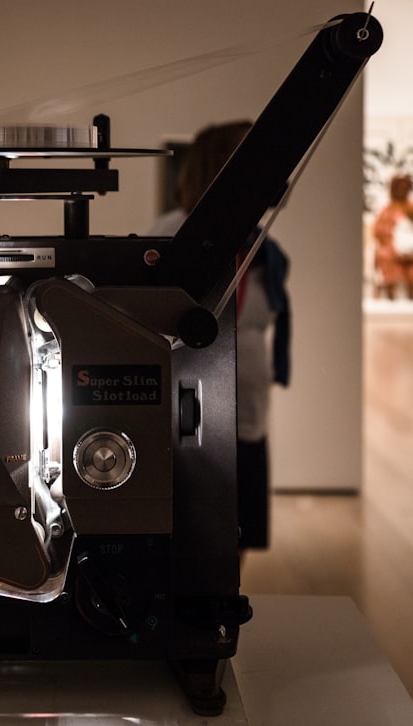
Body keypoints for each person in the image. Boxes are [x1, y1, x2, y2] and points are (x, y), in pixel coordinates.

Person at [147, 121, 290, 560]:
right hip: (188, 412)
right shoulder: (172, 234)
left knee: (235, 537)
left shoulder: (264, 246)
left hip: (245, 410)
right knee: (188, 534)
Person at [372, 174, 413, 300]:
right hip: (392, 250)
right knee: (386, 258)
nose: (402, 191)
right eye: (399, 188)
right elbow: (378, 232)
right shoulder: (387, 211)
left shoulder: (410, 209)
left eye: (404, 188)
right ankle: (391, 297)